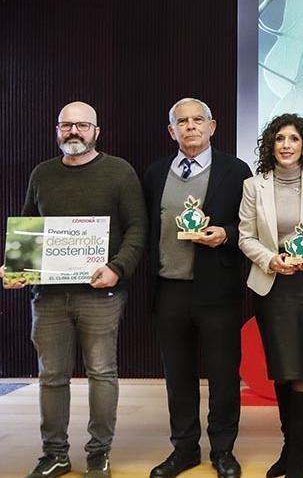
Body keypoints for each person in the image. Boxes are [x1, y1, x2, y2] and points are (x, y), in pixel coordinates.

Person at [4, 101, 147, 478]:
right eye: (66, 125)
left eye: (82, 125)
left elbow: (137, 229)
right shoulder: (42, 174)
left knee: (101, 372)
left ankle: (99, 452)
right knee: (51, 376)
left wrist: (118, 269)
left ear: (97, 131)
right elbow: (29, 228)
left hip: (101, 293)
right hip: (48, 296)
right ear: (57, 130)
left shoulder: (120, 172)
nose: (74, 132)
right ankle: (55, 454)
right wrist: (17, 267)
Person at [143, 98, 251, 478]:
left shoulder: (236, 171)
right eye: (181, 122)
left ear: (213, 126)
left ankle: (223, 451)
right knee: (178, 376)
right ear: (171, 131)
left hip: (217, 290)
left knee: (223, 376)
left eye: (197, 120)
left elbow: (251, 228)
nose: (190, 127)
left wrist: (226, 234)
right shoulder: (155, 173)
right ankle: (184, 449)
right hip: (170, 289)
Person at [237, 113, 303, 478]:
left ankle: (297, 454)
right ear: (270, 146)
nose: (286, 145)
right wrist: (272, 260)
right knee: (282, 370)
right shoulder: (253, 186)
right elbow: (245, 237)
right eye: (279, 139)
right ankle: (288, 444)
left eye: (293, 138)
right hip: (270, 285)